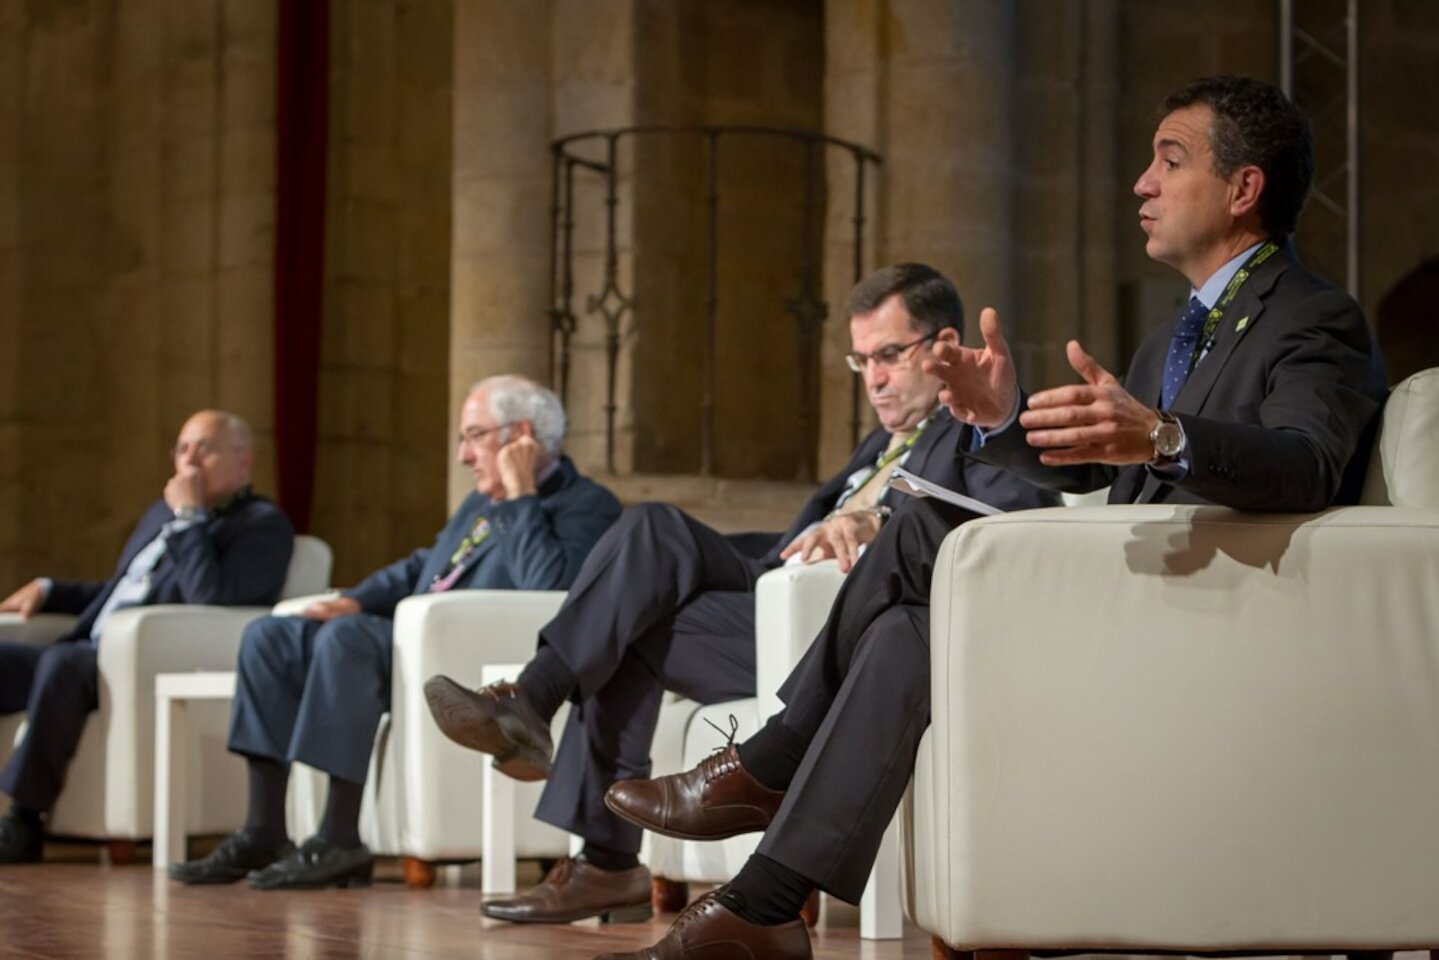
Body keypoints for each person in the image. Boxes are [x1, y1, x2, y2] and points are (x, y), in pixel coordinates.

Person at [600, 75, 1389, 959]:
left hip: (1197, 631)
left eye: (1168, 160)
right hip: (1128, 609)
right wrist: (999, 415)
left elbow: (1306, 463)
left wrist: (1164, 434)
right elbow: (1105, 458)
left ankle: (767, 766)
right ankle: (767, 908)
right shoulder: (1179, 328)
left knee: (918, 531)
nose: (1140, 183)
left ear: (1243, 189)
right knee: (903, 631)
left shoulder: (1314, 317)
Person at [421, 264, 1058, 924]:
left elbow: (1006, 522)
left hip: (834, 631)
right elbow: (798, 537)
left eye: (889, 356)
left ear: (942, 346)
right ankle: (562, 762)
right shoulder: (879, 443)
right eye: (861, 359)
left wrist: (880, 523)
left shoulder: (984, 426)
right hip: (774, 593)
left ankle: (589, 828)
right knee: (648, 534)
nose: (872, 378)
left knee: (634, 610)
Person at [169, 375, 621, 890]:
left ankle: (340, 837)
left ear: (520, 435)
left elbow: (550, 590)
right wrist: (355, 598)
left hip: (468, 657)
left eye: (474, 435)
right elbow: (424, 567)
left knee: (348, 640)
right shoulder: (479, 504)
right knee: (268, 636)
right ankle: (264, 829)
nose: (463, 455)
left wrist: (520, 496)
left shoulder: (587, 504)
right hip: (408, 640)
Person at [0, 410, 294, 864]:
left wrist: (191, 516)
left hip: (135, 664)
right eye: (181, 447)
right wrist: (50, 590)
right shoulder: (160, 514)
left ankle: (24, 820)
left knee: (64, 665)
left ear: (244, 461)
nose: (189, 459)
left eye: (205, 447)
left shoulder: (261, 524)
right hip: (83, 653)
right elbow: (120, 592)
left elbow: (210, 598)